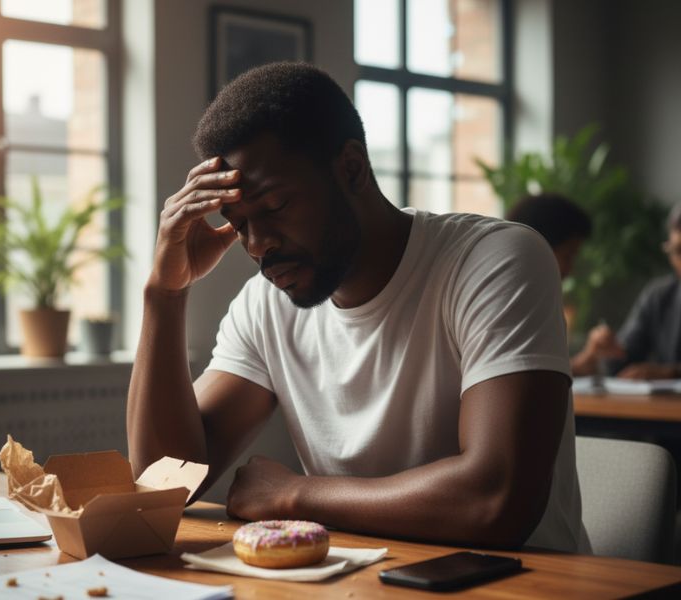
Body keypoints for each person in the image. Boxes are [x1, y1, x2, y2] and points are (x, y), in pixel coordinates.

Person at [127, 62, 590, 553]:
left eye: (276, 207)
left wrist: (294, 495)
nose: (258, 245)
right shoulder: (265, 307)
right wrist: (165, 293)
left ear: (351, 167)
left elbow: (495, 501)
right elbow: (163, 485)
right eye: (238, 224)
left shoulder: (493, 261)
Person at [504, 194, 617, 376]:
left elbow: (532, 375)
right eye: (568, 255)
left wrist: (582, 363)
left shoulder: (528, 303)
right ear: (536, 248)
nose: (569, 270)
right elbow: (523, 380)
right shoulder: (504, 308)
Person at [576, 204, 681, 379]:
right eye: (678, 251)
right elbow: (623, 360)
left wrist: (672, 372)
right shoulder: (660, 296)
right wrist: (605, 351)